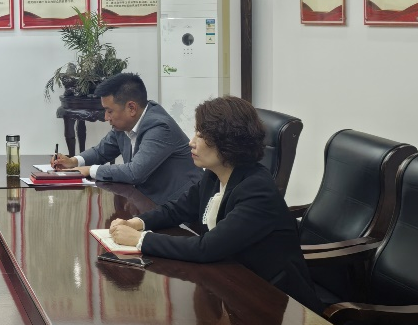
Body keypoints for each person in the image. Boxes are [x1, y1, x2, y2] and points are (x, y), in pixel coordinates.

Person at [109, 96, 322, 313]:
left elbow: (207, 248)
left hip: (274, 298)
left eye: (201, 136)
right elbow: (177, 209)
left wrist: (140, 240)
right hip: (231, 282)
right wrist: (137, 222)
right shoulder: (214, 175)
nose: (191, 142)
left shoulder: (257, 190)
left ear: (227, 142)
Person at [53, 72, 200, 204]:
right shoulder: (124, 125)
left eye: (109, 111)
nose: (106, 117)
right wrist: (73, 161)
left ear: (131, 108)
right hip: (149, 201)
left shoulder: (159, 127)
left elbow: (135, 173)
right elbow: (100, 152)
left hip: (182, 208)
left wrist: (89, 170)